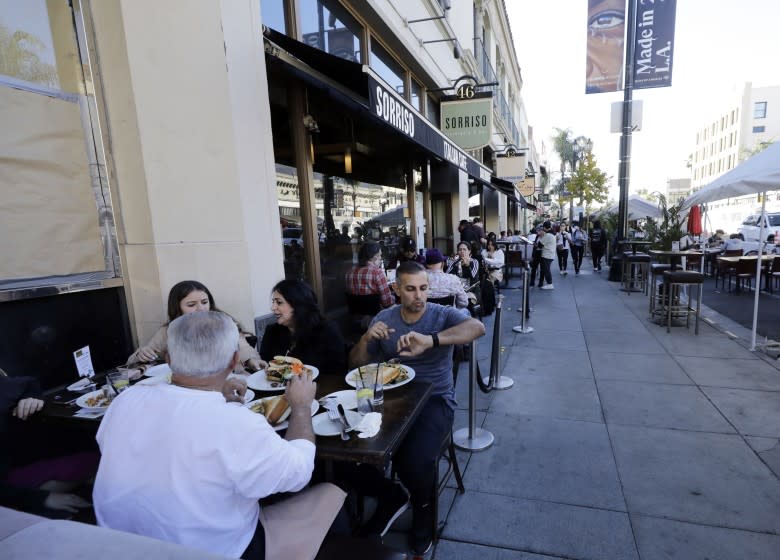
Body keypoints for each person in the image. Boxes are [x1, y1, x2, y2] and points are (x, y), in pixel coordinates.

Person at [94, 311, 346, 559]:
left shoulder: (126, 400)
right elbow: (299, 471)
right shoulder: (237, 422)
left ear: (168, 360)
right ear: (234, 360)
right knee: (329, 492)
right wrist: (301, 406)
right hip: (216, 551)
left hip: (118, 547)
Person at [349, 262, 484, 555]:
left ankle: (423, 508)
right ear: (396, 289)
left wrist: (431, 340)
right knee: (349, 449)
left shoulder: (440, 315)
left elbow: (477, 327)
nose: (418, 296)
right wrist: (365, 339)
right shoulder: (384, 318)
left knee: (414, 458)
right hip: (391, 398)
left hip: (435, 400)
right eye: (410, 289)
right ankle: (391, 496)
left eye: (423, 288)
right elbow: (357, 366)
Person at [1, 374, 94, 518]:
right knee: (100, 460)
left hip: (29, 456)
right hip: (12, 484)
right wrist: (42, 498)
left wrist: (30, 398)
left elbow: (29, 383)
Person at [126, 280, 261, 372]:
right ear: (178, 308)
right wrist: (140, 355)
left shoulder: (224, 323)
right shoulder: (168, 331)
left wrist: (251, 360)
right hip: (188, 389)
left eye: (204, 302)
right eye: (191, 305)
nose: (201, 308)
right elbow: (133, 363)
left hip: (230, 381)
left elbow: (244, 348)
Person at [260, 280, 346, 377]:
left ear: (298, 305)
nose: (273, 307)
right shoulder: (272, 331)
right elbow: (265, 364)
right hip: (278, 389)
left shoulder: (326, 331)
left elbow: (337, 371)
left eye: (279, 302)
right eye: (273, 302)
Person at [346, 243, 394, 309]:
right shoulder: (377, 272)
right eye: (380, 255)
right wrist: (395, 297)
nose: (380, 258)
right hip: (376, 316)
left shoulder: (349, 272)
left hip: (355, 315)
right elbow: (387, 303)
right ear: (374, 256)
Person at [537, 221, 556, 289]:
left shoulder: (547, 235)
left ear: (545, 227)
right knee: (546, 269)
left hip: (547, 255)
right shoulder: (552, 234)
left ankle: (550, 283)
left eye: (543, 228)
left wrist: (540, 235)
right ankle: (548, 283)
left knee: (546, 270)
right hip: (550, 254)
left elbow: (540, 245)